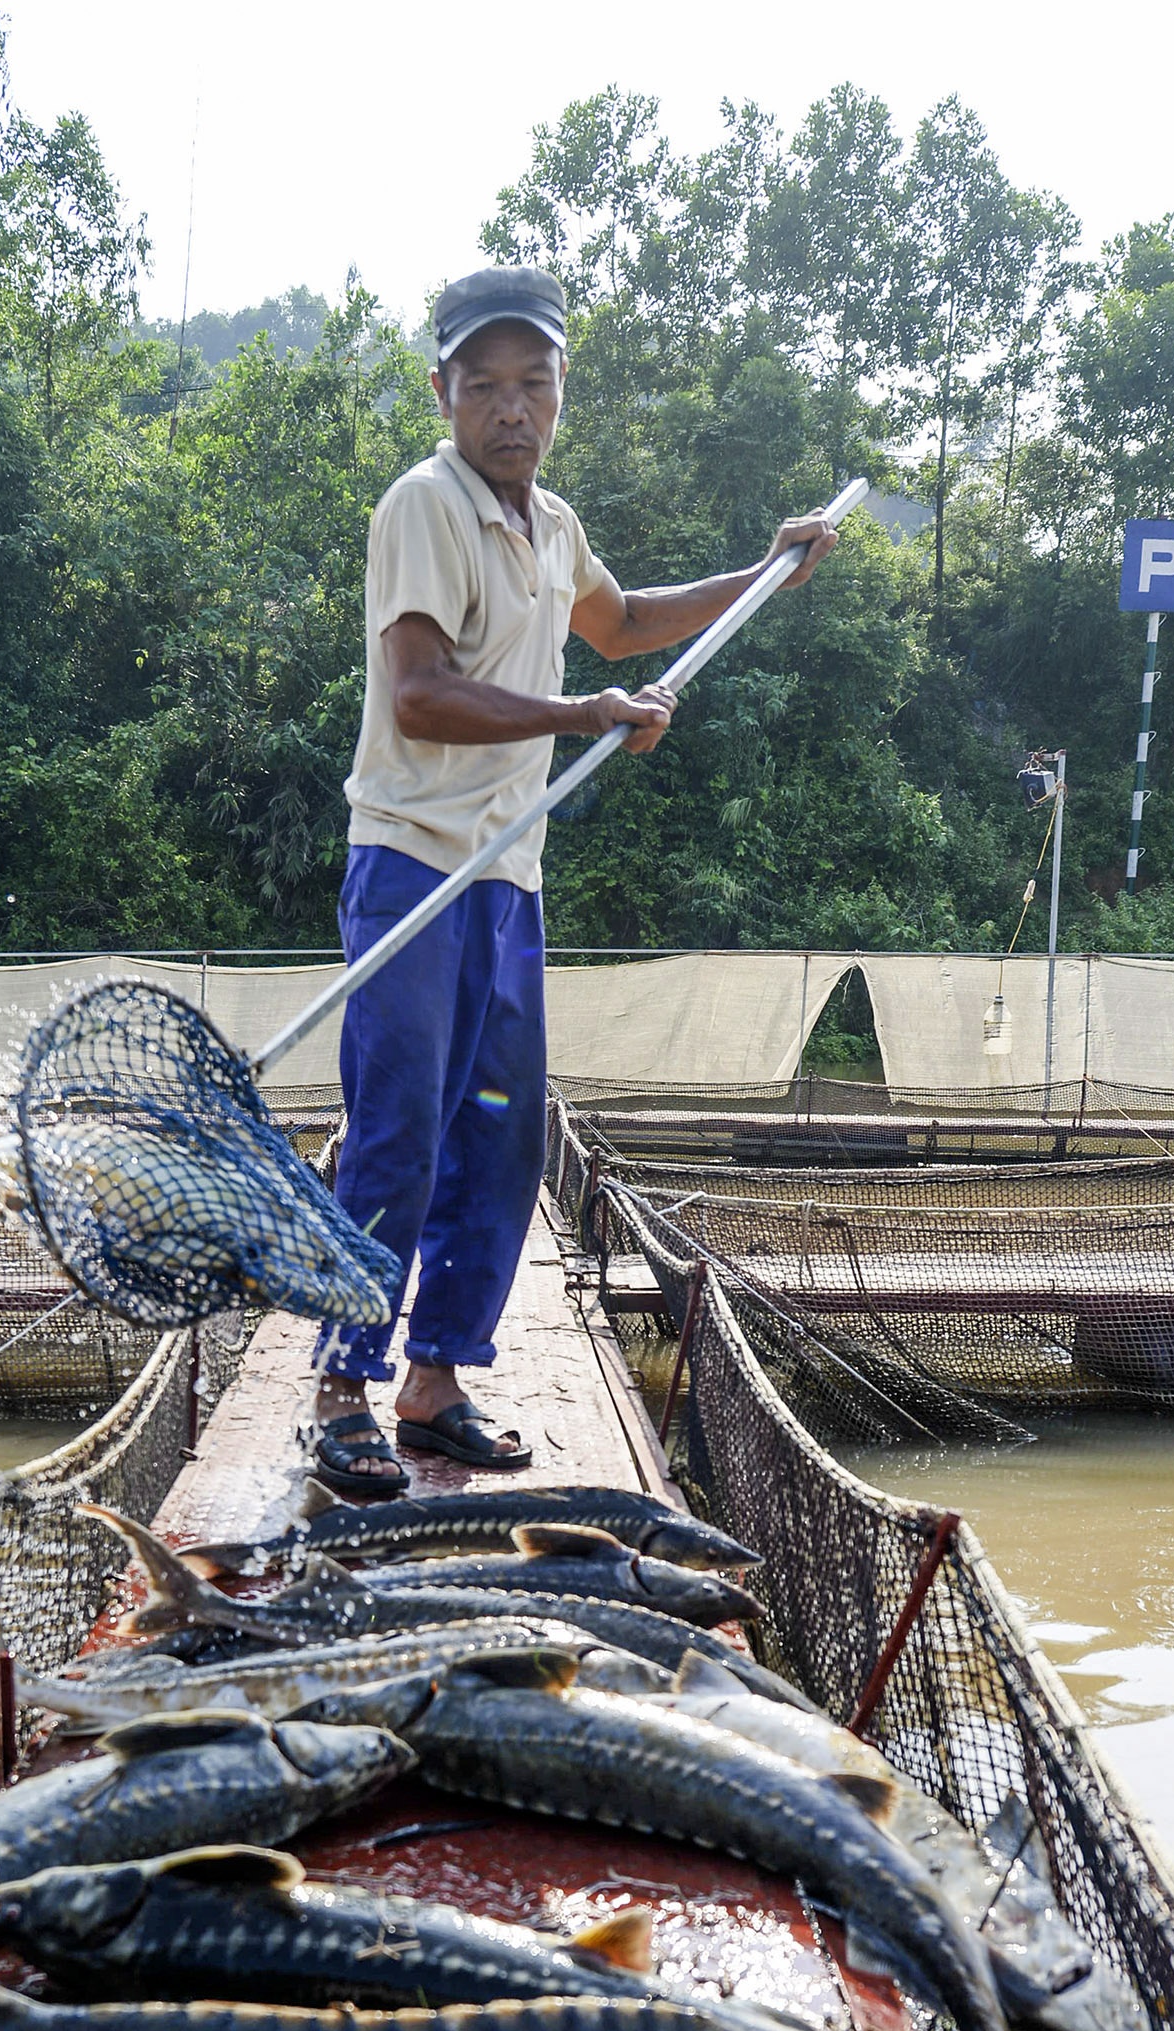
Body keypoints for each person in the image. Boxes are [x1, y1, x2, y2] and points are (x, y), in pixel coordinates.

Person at [314, 262, 838, 1497]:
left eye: (533, 383)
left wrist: (763, 573)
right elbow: (420, 695)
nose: (511, 407)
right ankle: (341, 1389)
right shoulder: (424, 507)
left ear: (560, 392)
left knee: (497, 1140)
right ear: (442, 391)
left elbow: (624, 622)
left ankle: (434, 1385)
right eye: (483, 384)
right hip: (411, 868)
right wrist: (582, 712)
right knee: (398, 1137)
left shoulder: (551, 524)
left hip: (509, 879)